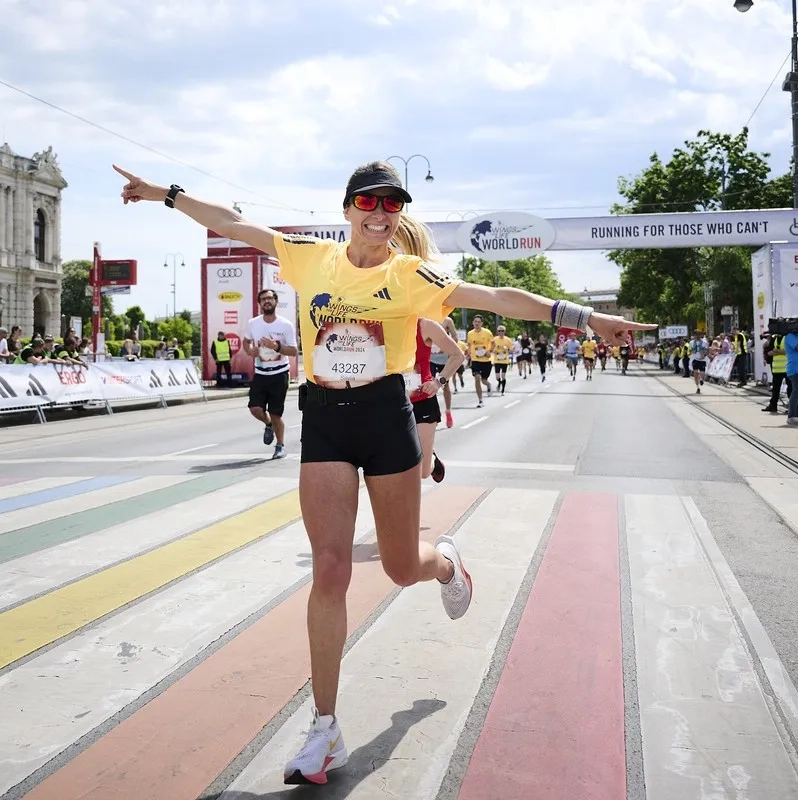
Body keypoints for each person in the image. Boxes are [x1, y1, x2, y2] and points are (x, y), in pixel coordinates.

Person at [113, 159, 651, 785]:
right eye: (368, 203)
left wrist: (585, 318)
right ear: (347, 211)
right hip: (325, 419)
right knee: (331, 569)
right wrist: (163, 195)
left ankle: (444, 563)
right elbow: (233, 222)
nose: (379, 214)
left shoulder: (411, 275)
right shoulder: (307, 257)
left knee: (401, 567)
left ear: (399, 216)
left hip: (384, 416)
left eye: (391, 205)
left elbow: (497, 298)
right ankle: (325, 728)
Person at [243, 288, 298, 459]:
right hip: (261, 372)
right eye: (263, 299)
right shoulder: (253, 323)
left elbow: (294, 351)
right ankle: (268, 425)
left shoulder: (285, 325)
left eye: (270, 298)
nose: (267, 301)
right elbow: (246, 342)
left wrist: (277, 347)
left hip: (279, 373)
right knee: (254, 408)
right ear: (259, 304)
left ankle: (280, 445)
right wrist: (249, 350)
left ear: (276, 302)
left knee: (276, 413)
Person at [407, 318, 464, 482]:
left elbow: (457, 355)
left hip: (423, 399)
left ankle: (431, 457)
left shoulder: (425, 325)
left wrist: (439, 382)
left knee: (423, 473)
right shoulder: (382, 322)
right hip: (392, 402)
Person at [427, 315, 459, 428]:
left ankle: (448, 411)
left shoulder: (447, 320)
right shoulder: (426, 317)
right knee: (429, 386)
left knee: (445, 386)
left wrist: (445, 348)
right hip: (430, 358)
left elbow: (455, 337)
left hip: (444, 358)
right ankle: (434, 413)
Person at [466, 315, 494, 407]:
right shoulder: (470, 333)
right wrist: (468, 354)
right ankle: (480, 400)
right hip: (475, 360)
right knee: (477, 378)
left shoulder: (487, 332)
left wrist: (489, 351)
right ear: (473, 323)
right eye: (475, 321)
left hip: (486, 360)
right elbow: (469, 345)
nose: (477, 323)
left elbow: (493, 343)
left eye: (478, 322)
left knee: (484, 380)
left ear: (481, 323)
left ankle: (488, 385)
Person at [489, 324, 514, 395]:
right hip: (497, 360)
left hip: (504, 360)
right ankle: (499, 383)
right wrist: (494, 351)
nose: (501, 332)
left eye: (502, 331)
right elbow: (491, 348)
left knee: (503, 375)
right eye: (499, 331)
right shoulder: (495, 339)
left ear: (504, 332)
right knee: (497, 376)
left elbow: (512, 349)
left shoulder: (507, 340)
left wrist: (508, 349)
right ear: (497, 332)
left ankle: (503, 390)